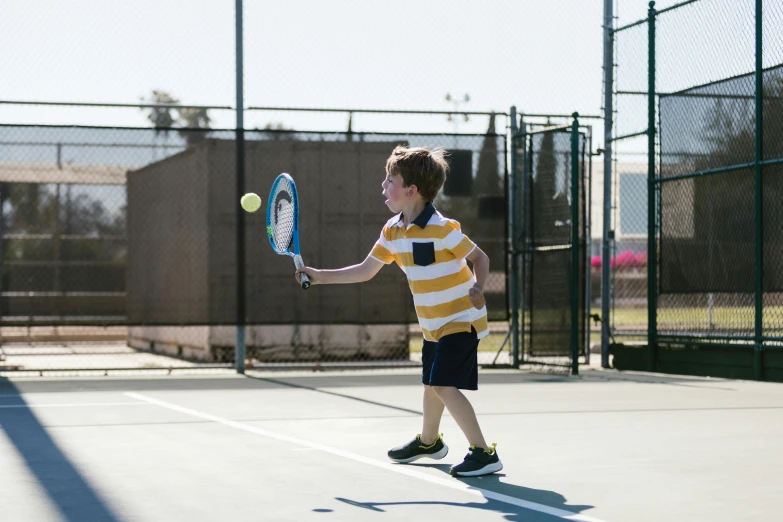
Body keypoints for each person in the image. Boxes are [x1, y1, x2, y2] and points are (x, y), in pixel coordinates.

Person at [295, 146, 502, 477]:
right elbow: (365, 270)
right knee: (431, 384)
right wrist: (319, 276)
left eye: (390, 180)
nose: (383, 185)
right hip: (432, 323)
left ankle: (483, 452)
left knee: (443, 384)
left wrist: (478, 286)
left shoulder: (443, 227)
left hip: (461, 318)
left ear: (411, 190)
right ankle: (430, 442)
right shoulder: (392, 230)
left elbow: (481, 258)